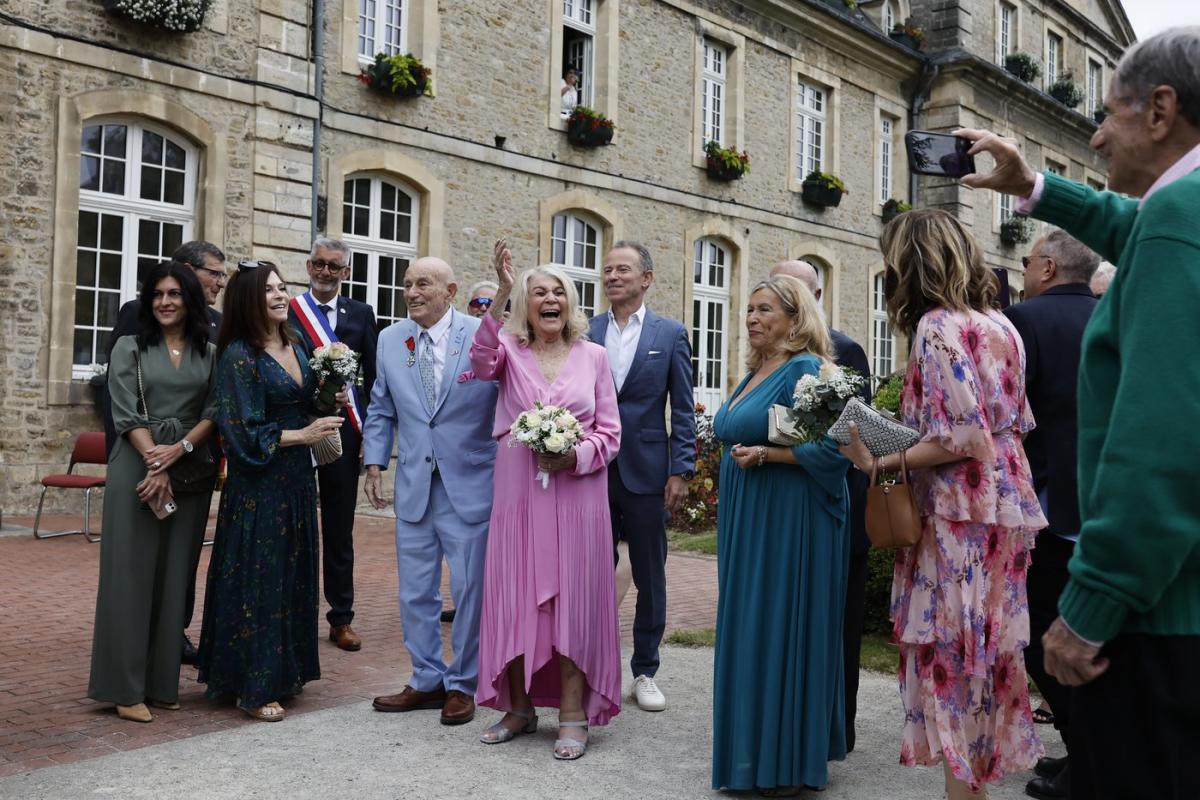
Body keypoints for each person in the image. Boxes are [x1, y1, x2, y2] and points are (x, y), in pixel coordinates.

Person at [958, 26, 1200, 800]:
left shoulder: (1181, 217)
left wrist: (1091, 606)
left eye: (1108, 115)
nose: (1094, 136)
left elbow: (1160, 445)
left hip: (1160, 618)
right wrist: (1035, 189)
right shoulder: (1181, 218)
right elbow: (1140, 229)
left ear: (1160, 110)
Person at [838, 210, 1046, 799]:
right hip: (1004, 504)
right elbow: (1014, 426)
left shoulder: (936, 327)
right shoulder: (1000, 324)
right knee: (985, 652)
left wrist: (879, 460)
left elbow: (962, 435)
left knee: (952, 654)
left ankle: (962, 793)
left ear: (912, 262)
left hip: (959, 513)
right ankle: (971, 789)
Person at [471, 240, 621, 760]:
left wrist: (573, 456)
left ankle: (575, 713)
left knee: (573, 603)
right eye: (539, 292)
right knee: (515, 598)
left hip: (579, 499)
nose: (550, 299)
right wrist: (503, 292)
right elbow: (480, 360)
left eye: (559, 291)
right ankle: (518, 708)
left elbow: (610, 431)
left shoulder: (594, 356)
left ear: (571, 303)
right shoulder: (508, 351)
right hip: (518, 499)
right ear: (526, 305)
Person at [711, 274, 851, 795]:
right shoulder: (754, 371)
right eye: (749, 310)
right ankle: (749, 754)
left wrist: (771, 455)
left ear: (796, 319)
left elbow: (836, 450)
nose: (752, 318)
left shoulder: (807, 369)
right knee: (747, 625)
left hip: (790, 520)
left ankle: (783, 760)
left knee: (777, 624)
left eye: (765, 310)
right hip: (748, 516)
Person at [197, 261, 345, 722]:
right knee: (260, 578)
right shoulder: (240, 355)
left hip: (296, 480)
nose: (281, 296)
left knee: (291, 573)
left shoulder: (295, 344)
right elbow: (239, 434)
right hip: (258, 485)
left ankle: (285, 671)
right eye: (269, 291)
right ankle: (253, 684)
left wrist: (330, 396)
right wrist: (304, 435)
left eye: (283, 288)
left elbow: (299, 405)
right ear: (248, 300)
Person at [364, 257, 498, 726]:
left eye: (423, 283)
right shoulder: (389, 339)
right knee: (414, 592)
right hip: (415, 485)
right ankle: (425, 678)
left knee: (470, 589)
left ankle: (463, 683)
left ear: (450, 290)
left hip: (470, 483)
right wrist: (375, 459)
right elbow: (381, 405)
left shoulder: (481, 333)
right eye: (406, 285)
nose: (412, 292)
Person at [87, 260, 218, 723]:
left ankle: (162, 684)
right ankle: (123, 688)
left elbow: (214, 409)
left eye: (174, 294)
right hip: (136, 466)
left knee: (173, 576)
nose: (165, 302)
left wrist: (177, 451)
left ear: (190, 300)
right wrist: (154, 459)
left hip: (188, 469)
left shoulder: (209, 350)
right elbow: (123, 411)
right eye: (157, 294)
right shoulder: (129, 346)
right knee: (130, 575)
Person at [1004, 230, 1100, 800]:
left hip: (1046, 502)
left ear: (1045, 266)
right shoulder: (1111, 316)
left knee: (1040, 634)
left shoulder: (1025, 320)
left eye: (1025, 260)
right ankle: (1085, 753)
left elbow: (1011, 414)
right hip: (1105, 501)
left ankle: (1088, 759)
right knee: (1088, 633)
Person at [586, 241, 694, 713]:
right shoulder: (584, 331)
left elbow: (684, 408)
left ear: (646, 278)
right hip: (591, 469)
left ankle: (645, 669)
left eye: (623, 269)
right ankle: (591, 662)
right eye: (607, 269)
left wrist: (681, 469)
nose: (612, 276)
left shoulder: (670, 334)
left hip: (648, 471)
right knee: (591, 568)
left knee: (650, 573)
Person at [771, 258, 872, 752]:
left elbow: (854, 440)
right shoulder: (766, 353)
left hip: (834, 504)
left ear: (816, 294)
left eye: (793, 289)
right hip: (781, 506)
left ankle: (839, 726)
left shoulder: (843, 349)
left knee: (839, 626)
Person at [288, 238, 378, 652]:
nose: (325, 272)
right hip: (297, 430)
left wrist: (371, 440)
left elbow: (374, 381)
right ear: (308, 266)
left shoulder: (361, 314)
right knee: (294, 525)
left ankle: (341, 618)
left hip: (344, 432)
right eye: (319, 264)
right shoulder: (289, 312)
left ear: (346, 272)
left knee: (339, 530)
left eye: (334, 267)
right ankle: (294, 612)